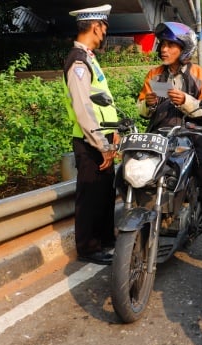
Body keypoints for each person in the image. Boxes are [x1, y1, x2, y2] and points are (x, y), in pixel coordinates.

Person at [136, 21, 202, 267]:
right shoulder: (154, 75)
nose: (164, 50)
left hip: (196, 134)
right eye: (163, 45)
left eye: (171, 45)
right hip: (161, 136)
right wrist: (147, 103)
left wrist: (187, 101)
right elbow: (141, 109)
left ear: (184, 49)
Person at [62, 4, 119, 265]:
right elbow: (83, 108)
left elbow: (102, 102)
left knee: (105, 193)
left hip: (103, 138)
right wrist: (101, 144)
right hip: (90, 142)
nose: (104, 33)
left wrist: (113, 134)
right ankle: (88, 247)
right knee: (91, 195)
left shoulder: (90, 58)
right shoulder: (78, 61)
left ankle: (107, 240)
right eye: (104, 27)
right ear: (95, 26)